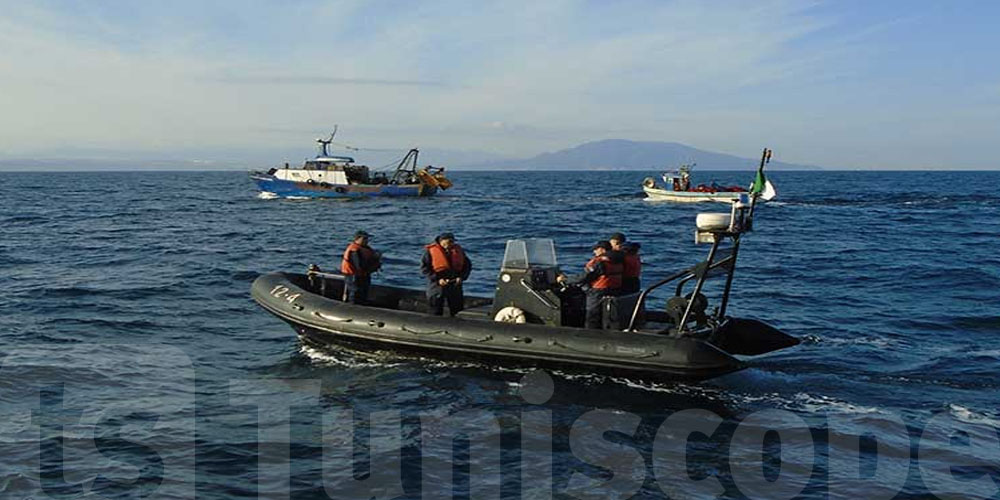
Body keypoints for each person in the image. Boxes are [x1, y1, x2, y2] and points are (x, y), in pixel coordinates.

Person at [557, 241, 623, 329]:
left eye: (596, 250)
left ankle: (590, 333)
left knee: (592, 316)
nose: (594, 252)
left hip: (598, 292)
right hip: (614, 289)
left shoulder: (600, 263)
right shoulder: (617, 260)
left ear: (602, 250)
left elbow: (585, 277)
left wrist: (566, 280)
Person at [421, 232, 472, 316]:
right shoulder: (430, 252)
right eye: (448, 242)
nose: (450, 244)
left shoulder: (458, 251)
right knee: (435, 308)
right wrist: (437, 279)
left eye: (452, 242)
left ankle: (456, 325)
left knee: (457, 308)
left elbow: (467, 266)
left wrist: (462, 277)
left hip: (454, 284)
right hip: (437, 285)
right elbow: (425, 269)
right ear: (441, 241)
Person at [340, 230, 381, 304]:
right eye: (364, 239)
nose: (367, 241)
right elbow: (359, 266)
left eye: (367, 239)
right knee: (355, 291)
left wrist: (376, 260)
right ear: (357, 239)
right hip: (353, 275)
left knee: (364, 291)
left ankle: (363, 304)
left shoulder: (366, 249)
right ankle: (352, 307)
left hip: (364, 275)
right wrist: (373, 264)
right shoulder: (354, 250)